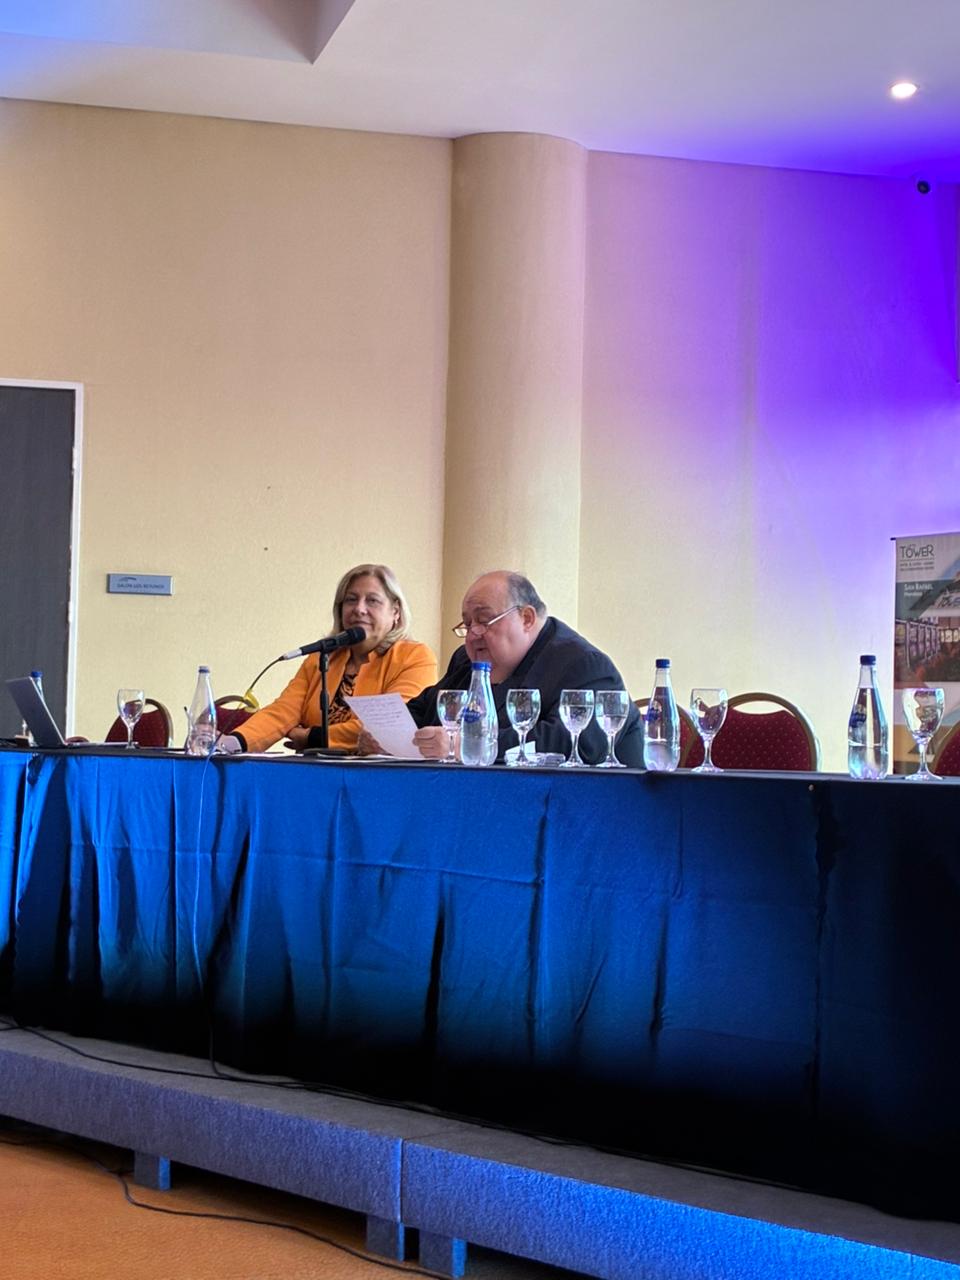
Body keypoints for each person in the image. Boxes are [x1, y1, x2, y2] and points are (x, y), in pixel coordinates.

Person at [388, 570, 643, 766]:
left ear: (527, 619)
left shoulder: (585, 665)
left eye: (484, 620)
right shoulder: (468, 661)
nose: (473, 633)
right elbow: (427, 709)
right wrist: (384, 734)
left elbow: (572, 745)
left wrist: (465, 746)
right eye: (467, 623)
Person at [223, 564, 437, 753]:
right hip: (316, 773)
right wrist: (233, 742)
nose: (359, 609)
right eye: (351, 600)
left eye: (372, 600)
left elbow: (390, 726)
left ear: (395, 611)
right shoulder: (322, 656)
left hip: (376, 777)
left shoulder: (414, 657)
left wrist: (312, 738)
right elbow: (283, 711)